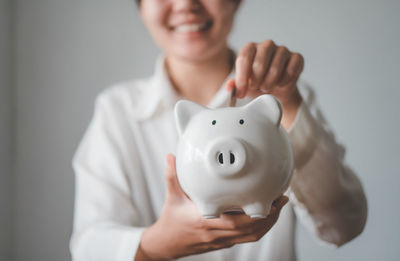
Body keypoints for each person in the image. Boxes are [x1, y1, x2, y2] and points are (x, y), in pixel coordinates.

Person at [69, 0, 368, 260]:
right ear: (142, 6)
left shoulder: (284, 98)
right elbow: (88, 247)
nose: (186, 4)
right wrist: (158, 244)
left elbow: (344, 225)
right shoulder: (118, 111)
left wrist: (289, 108)